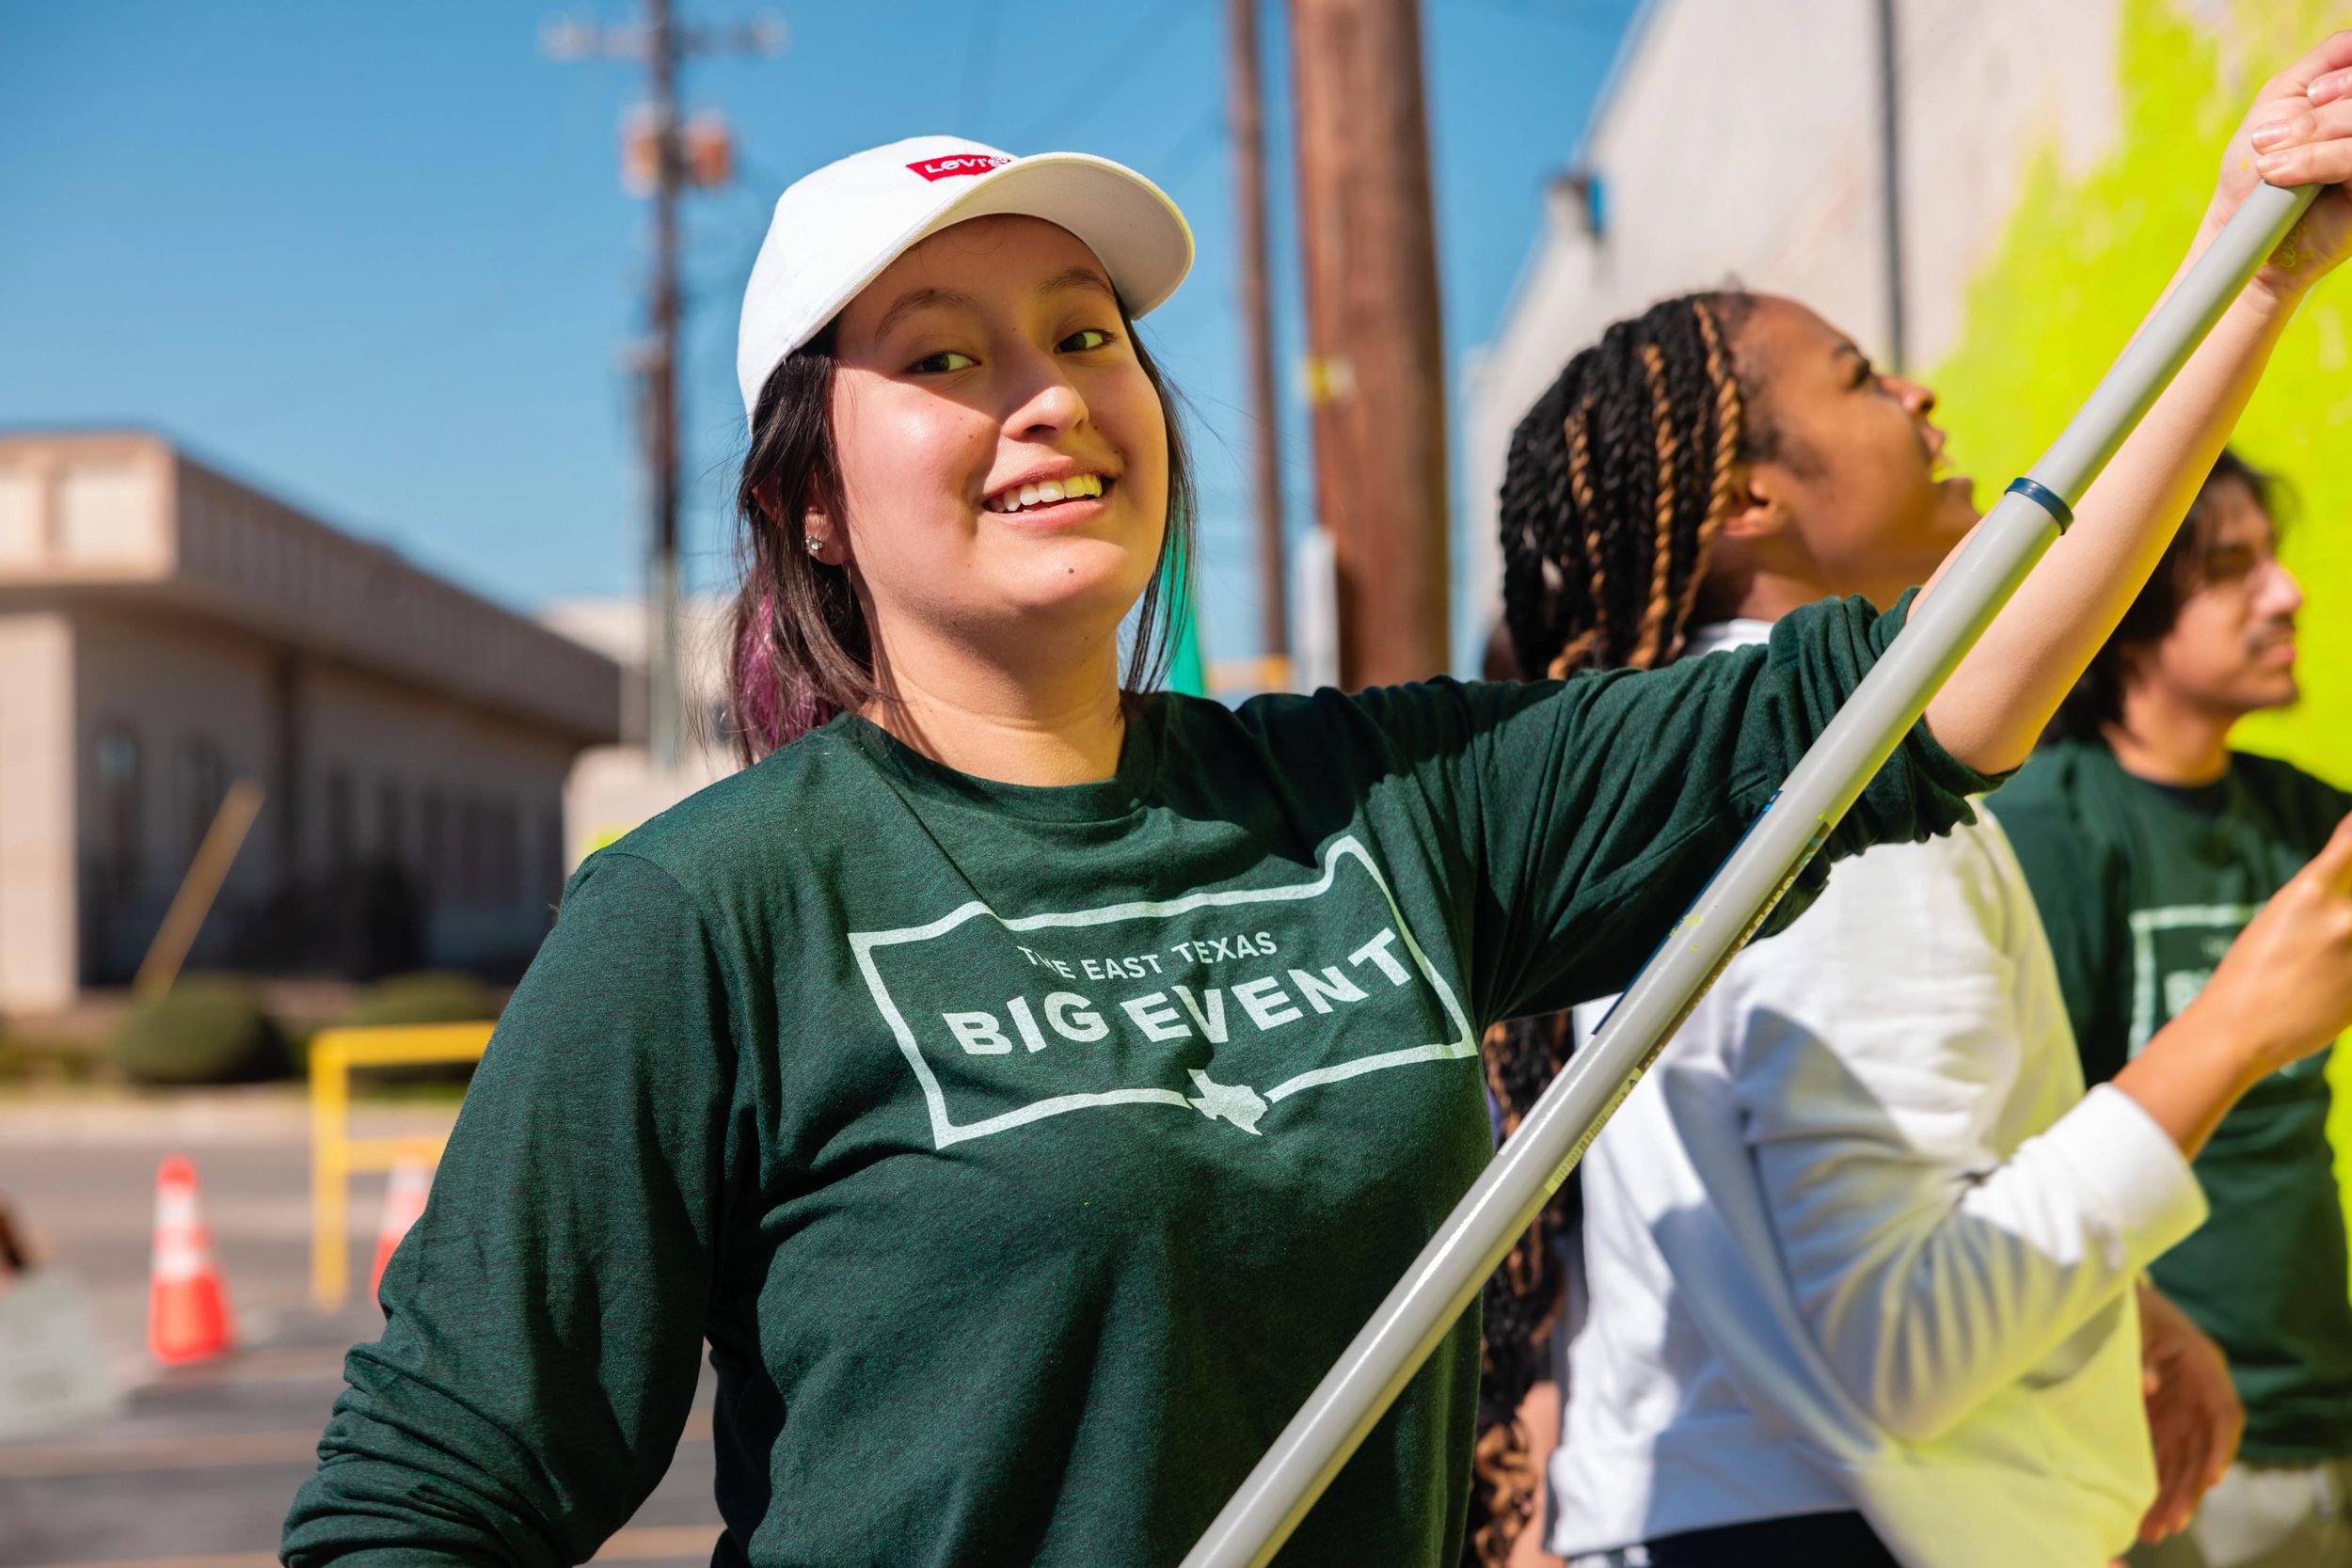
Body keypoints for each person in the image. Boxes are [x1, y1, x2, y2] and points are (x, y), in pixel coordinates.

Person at [282, 44, 2348, 1560]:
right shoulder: (705, 913)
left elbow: (1909, 698)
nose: (1047, 392)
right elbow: (432, 1491)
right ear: (813, 496)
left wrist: (2243, 266)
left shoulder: (1378, 798)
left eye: (1082, 332)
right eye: (942, 356)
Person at [1482, 40, 2352, 1568]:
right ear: (1749, 498)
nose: (1921, 388)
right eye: (1863, 379)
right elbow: (1905, 1345)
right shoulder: (1838, 824)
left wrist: (2120, 1306)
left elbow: (1835, 1239)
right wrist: (2242, 1024)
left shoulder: (1679, 774)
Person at [1994, 451, 2352, 1568]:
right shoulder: (2054, 831)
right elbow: (2001, 1157)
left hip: (2322, 1419)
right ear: (2134, 601)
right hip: (2160, 1456)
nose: (2284, 592)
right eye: (2231, 568)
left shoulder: (2300, 821)